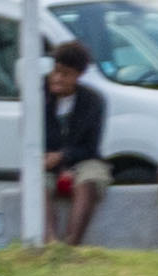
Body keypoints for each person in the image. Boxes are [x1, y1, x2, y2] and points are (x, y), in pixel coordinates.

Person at [34, 35, 112, 246]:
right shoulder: (38, 95)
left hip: (81, 159)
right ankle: (49, 240)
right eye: (55, 71)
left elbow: (91, 146)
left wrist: (64, 157)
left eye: (65, 74)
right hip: (45, 161)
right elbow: (31, 137)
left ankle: (71, 243)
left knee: (89, 181)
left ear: (79, 75)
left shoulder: (93, 101)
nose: (57, 78)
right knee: (36, 183)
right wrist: (48, 159)